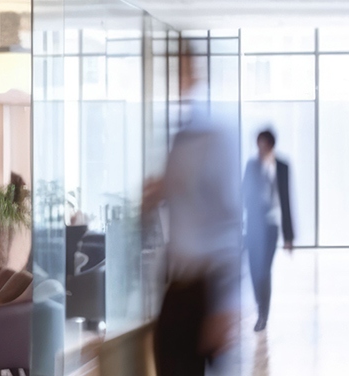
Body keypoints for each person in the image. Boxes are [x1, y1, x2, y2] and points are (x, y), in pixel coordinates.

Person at [142, 46, 243, 376]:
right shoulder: (180, 140)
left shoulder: (218, 134)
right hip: (176, 282)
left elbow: (229, 222)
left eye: (182, 69)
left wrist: (226, 305)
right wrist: (158, 194)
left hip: (205, 288)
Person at [243, 129, 294, 332]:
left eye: (264, 145)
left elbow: (286, 200)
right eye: (258, 144)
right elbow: (243, 194)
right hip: (254, 226)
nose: (260, 149)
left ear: (271, 145)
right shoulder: (251, 165)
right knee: (255, 272)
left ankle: (263, 315)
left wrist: (289, 236)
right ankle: (260, 307)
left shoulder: (282, 166)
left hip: (272, 225)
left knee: (264, 270)